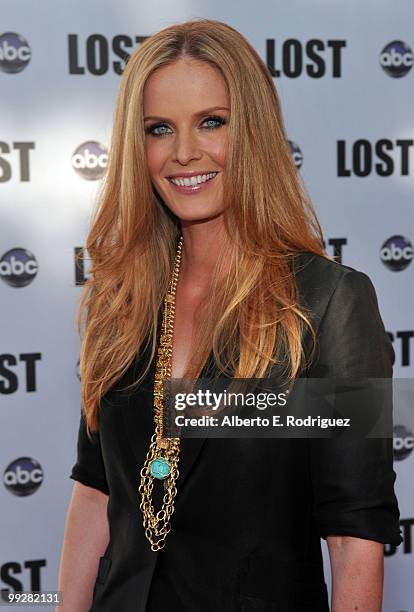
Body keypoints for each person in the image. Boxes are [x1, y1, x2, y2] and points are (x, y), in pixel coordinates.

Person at [56, 18, 402, 612]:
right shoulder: (124, 298)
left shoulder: (327, 303)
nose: (185, 151)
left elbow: (353, 537)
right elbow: (95, 491)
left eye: (212, 121)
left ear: (256, 131)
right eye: (159, 129)